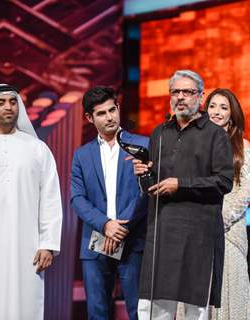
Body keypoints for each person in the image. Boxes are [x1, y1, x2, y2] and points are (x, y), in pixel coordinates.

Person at [133, 70, 234, 320]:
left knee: (194, 308)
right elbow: (152, 185)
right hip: (162, 231)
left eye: (187, 92)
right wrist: (142, 174)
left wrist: (181, 184)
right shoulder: (159, 133)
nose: (181, 97)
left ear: (200, 97)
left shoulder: (215, 135)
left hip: (198, 233)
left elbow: (224, 181)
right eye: (175, 92)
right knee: (157, 308)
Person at [0, 84, 63, 319]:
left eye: (12, 102)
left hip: (27, 247)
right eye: (1, 102)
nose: (8, 107)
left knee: (25, 305)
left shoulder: (37, 148)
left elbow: (50, 196)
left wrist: (48, 243)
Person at [71, 86, 149, 320]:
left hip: (133, 239)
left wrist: (120, 227)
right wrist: (106, 225)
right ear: (89, 118)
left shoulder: (143, 145)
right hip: (95, 245)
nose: (110, 117)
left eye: (112, 110)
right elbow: (77, 198)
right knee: (97, 313)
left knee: (140, 312)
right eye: (102, 113)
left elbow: (145, 192)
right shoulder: (82, 155)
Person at [205, 88, 250, 320]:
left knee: (231, 292)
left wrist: (218, 219)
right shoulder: (195, 144)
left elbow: (246, 191)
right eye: (212, 106)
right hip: (198, 233)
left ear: (232, 114)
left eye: (223, 107)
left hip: (229, 233)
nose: (216, 112)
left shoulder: (242, 147)